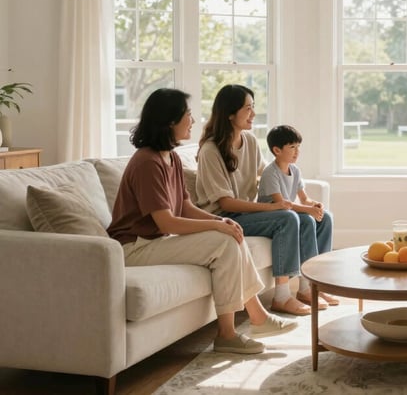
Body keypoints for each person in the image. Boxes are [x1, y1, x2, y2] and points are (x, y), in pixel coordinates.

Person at [107, 88, 297, 356]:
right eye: (187, 115)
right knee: (223, 238)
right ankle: (235, 330)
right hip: (133, 248)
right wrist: (217, 225)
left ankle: (252, 321)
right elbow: (167, 223)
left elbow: (184, 205)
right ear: (170, 121)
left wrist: (222, 221)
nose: (193, 121)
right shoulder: (147, 162)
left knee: (230, 233)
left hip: (154, 241)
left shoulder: (170, 157)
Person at [196, 85, 337, 317]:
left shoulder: (249, 141)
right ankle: (281, 297)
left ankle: (311, 286)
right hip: (225, 218)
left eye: (253, 107)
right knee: (286, 218)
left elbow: (268, 173)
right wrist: (275, 207)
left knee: (323, 218)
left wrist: (306, 203)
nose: (253, 113)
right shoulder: (211, 151)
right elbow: (226, 203)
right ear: (230, 113)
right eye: (248, 108)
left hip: (249, 214)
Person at [257, 124, 335, 306]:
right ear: (277, 150)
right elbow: (282, 204)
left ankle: (318, 282)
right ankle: (305, 288)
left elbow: (304, 198)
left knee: (326, 217)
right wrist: (308, 210)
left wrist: (314, 205)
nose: (297, 152)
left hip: (289, 213)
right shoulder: (271, 173)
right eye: (292, 147)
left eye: (298, 147)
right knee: (308, 219)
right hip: (274, 218)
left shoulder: (296, 170)